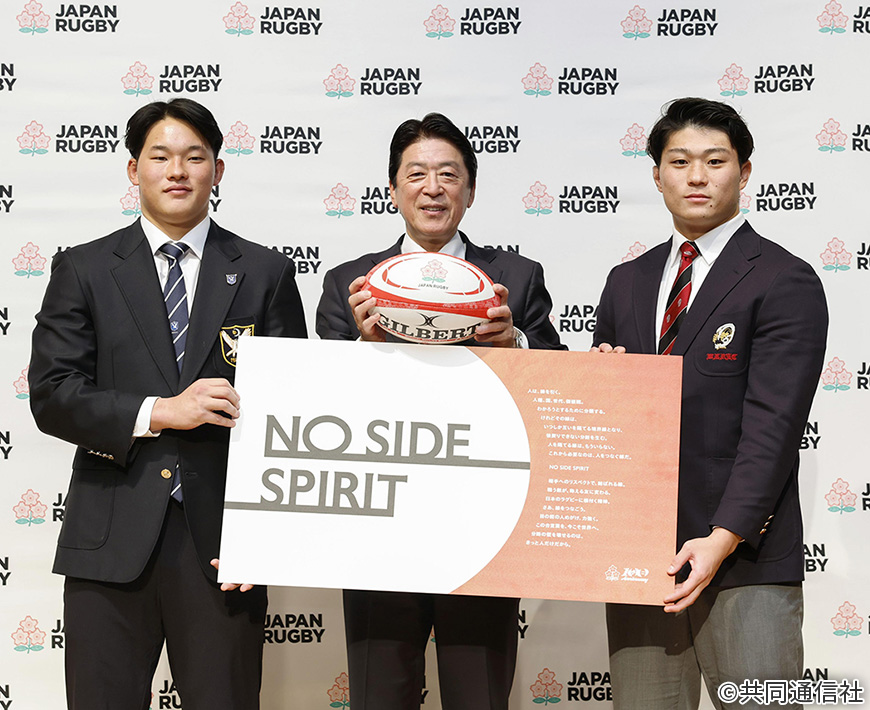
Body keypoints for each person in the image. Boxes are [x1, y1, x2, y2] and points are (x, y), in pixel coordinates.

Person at [28, 98, 307, 709]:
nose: (177, 170)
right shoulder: (84, 268)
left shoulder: (265, 272)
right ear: (134, 170)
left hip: (224, 549)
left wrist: (263, 538)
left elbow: (293, 418)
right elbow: (52, 394)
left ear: (218, 170)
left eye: (194, 157)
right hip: (109, 540)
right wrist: (159, 411)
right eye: (160, 157)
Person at [316, 112, 565, 710]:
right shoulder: (350, 284)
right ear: (393, 189)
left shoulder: (516, 278)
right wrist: (363, 349)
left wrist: (514, 345)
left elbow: (559, 387)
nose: (433, 188)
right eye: (417, 174)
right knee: (379, 695)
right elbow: (318, 403)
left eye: (449, 175)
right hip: (377, 523)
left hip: (482, 522)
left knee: (479, 695)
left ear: (470, 191)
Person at [592, 97, 828, 709]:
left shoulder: (784, 278)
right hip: (642, 559)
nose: (697, 176)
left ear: (744, 172)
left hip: (746, 559)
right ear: (657, 175)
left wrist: (722, 539)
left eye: (715, 161)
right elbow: (607, 426)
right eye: (679, 162)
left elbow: (774, 429)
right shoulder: (627, 281)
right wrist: (603, 387)